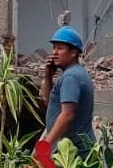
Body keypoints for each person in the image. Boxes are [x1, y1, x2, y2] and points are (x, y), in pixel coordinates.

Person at [39, 25, 95, 158]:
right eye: (54, 47)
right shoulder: (73, 74)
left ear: (74, 52)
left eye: (60, 48)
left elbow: (67, 114)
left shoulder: (71, 77)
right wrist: (48, 77)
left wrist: (45, 147)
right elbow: (49, 103)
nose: (54, 52)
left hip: (74, 154)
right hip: (71, 151)